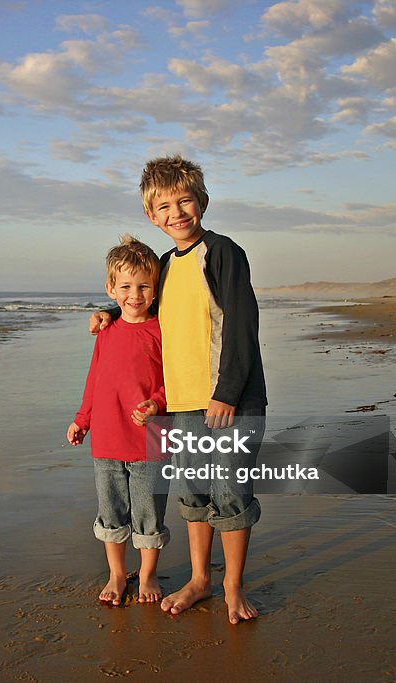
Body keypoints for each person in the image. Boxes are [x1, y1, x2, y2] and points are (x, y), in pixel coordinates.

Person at [91, 155, 267, 624]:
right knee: (193, 493)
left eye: (185, 200)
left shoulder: (223, 252)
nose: (177, 212)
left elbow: (243, 325)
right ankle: (199, 579)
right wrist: (108, 310)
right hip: (183, 401)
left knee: (230, 493)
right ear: (151, 215)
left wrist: (228, 391)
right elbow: (138, 298)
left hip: (229, 400)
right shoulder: (165, 263)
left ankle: (232, 586)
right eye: (164, 206)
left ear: (202, 201)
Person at [68, 235, 169, 607]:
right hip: (108, 439)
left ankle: (147, 573)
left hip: (150, 440)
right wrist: (83, 419)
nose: (135, 294)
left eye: (144, 286)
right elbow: (95, 379)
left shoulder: (162, 331)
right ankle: (115, 573)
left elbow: (174, 381)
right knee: (110, 510)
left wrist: (157, 404)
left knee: (148, 511)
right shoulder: (106, 330)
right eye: (125, 286)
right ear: (111, 288)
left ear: (156, 289)